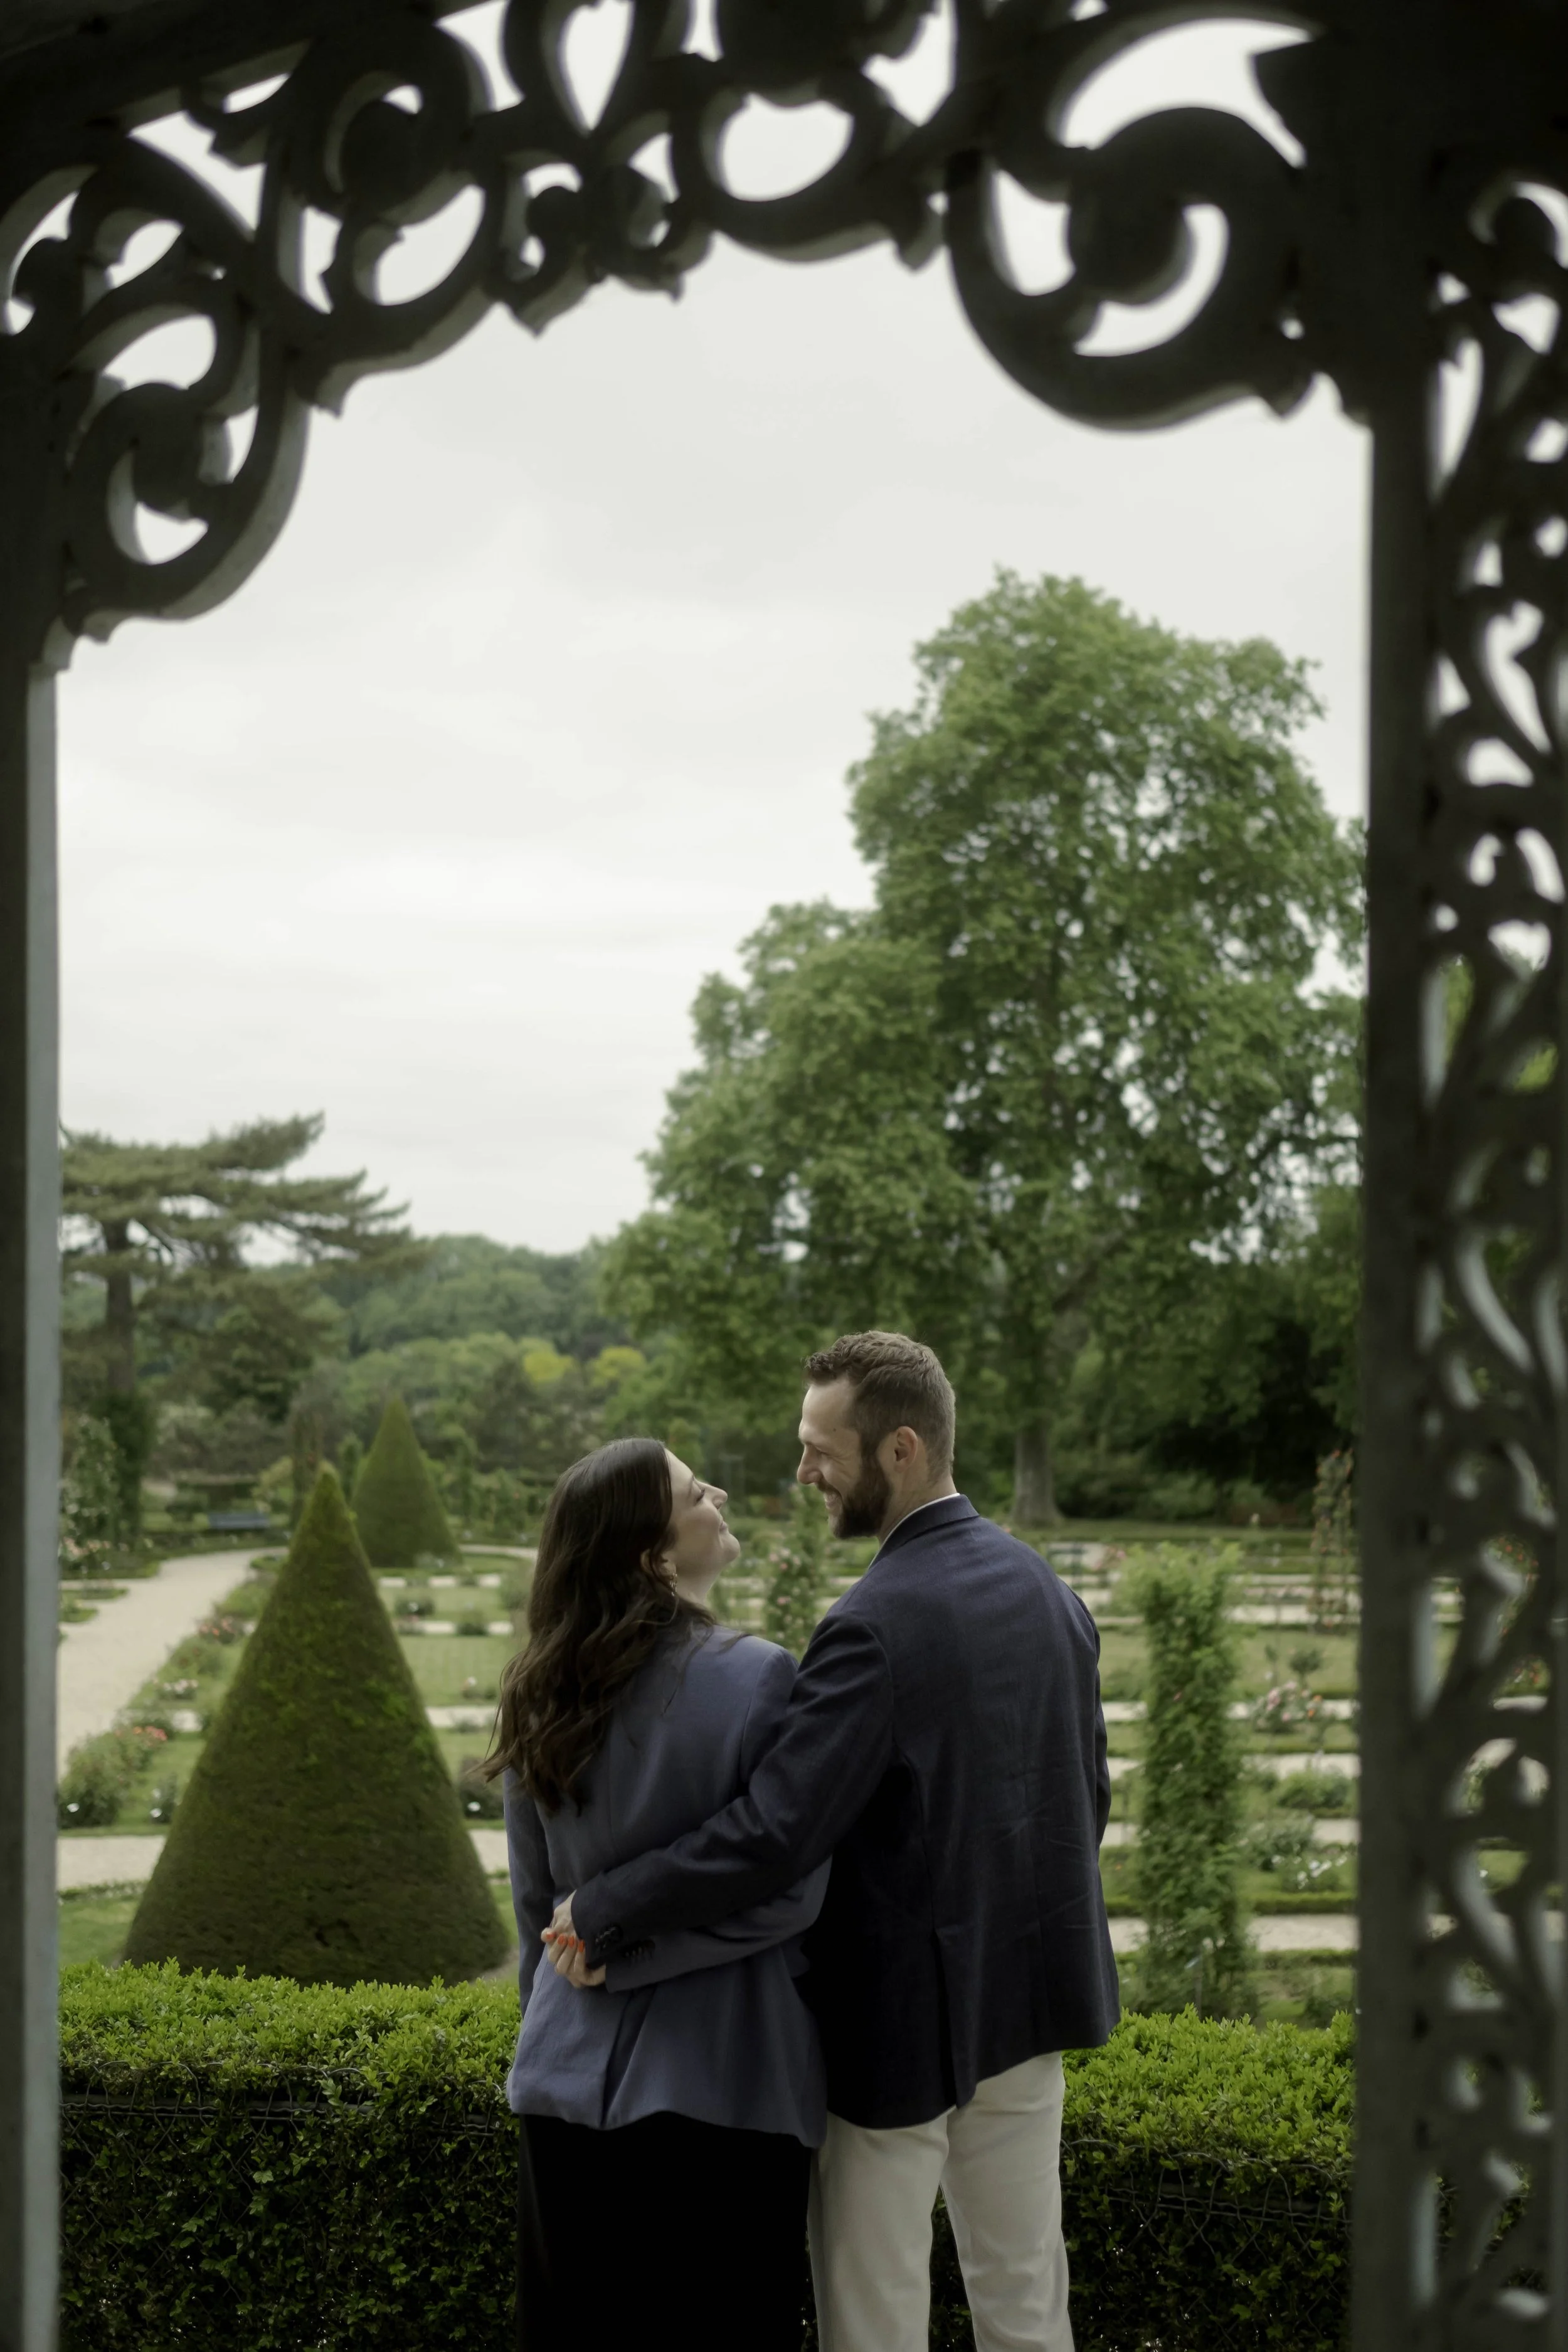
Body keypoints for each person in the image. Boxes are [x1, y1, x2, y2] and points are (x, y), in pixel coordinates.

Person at [552, 1332, 1118, 2352]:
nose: (803, 1469)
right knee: (1028, 2305)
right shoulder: (1049, 1591)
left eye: (822, 1447)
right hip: (1029, 2008)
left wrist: (605, 1906)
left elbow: (776, 1833)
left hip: (897, 2038)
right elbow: (1089, 1796)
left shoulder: (868, 1625)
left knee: (873, 2324)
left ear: (900, 1448)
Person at [485, 1436, 829, 2350]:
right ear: (652, 1553)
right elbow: (791, 1894)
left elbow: (537, 1917)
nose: (716, 1490)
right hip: (728, 2084)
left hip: (561, 2086)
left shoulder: (535, 1685)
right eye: (691, 1490)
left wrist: (593, 1962)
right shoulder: (763, 1677)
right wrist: (629, 1950)